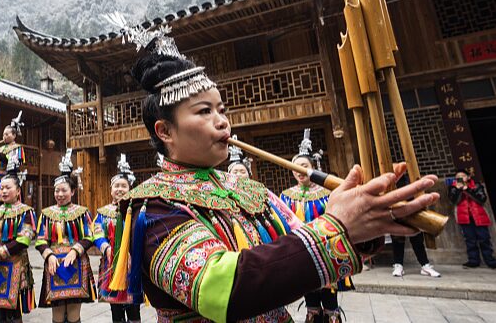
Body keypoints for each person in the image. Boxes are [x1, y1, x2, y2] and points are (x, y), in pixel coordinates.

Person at [104, 17, 439, 322]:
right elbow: (221, 288)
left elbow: (301, 240)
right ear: (165, 131)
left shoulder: (252, 191)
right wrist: (338, 227)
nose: (222, 121)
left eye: (222, 109)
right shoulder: (153, 206)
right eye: (204, 111)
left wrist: (363, 222)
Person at [280, 129, 350, 323]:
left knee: (330, 302)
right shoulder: (285, 196)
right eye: (296, 167)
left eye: (304, 166)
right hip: (301, 254)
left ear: (313, 168)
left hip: (327, 251)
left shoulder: (328, 194)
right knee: (310, 302)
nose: (299, 170)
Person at [35, 150, 96, 323]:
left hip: (76, 264)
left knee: (74, 314)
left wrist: (75, 251)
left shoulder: (82, 212)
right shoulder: (47, 214)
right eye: (57, 191)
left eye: (64, 190)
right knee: (57, 315)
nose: (59, 194)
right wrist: (49, 255)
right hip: (55, 266)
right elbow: (40, 239)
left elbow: (89, 236)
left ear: (73, 191)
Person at [0, 163, 37, 322]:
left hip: (15, 267)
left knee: (13, 315)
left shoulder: (26, 212)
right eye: (1, 188)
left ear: (18, 191)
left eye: (7, 188)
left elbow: (24, 239)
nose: (3, 191)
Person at [94, 154, 141, 323]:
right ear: (111, 189)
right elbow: (97, 232)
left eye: (124, 186)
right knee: (116, 311)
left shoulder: (136, 211)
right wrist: (105, 246)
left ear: (130, 189)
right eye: (116, 186)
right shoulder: (103, 212)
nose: (120, 189)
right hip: (111, 264)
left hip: (132, 266)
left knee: (134, 311)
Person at [390, 171, 442, 278]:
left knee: (417, 240)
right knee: (398, 241)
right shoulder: (391, 183)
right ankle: (398, 265)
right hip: (397, 214)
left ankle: (425, 265)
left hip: (412, 214)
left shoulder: (410, 181)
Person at [449, 169, 496, 268]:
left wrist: (467, 190)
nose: (460, 178)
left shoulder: (477, 185)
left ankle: (490, 260)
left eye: (463, 176)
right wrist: (459, 190)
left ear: (468, 177)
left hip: (479, 216)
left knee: (484, 239)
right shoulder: (453, 187)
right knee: (470, 240)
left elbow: (482, 199)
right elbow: (454, 201)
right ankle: (473, 260)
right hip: (464, 217)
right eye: (458, 177)